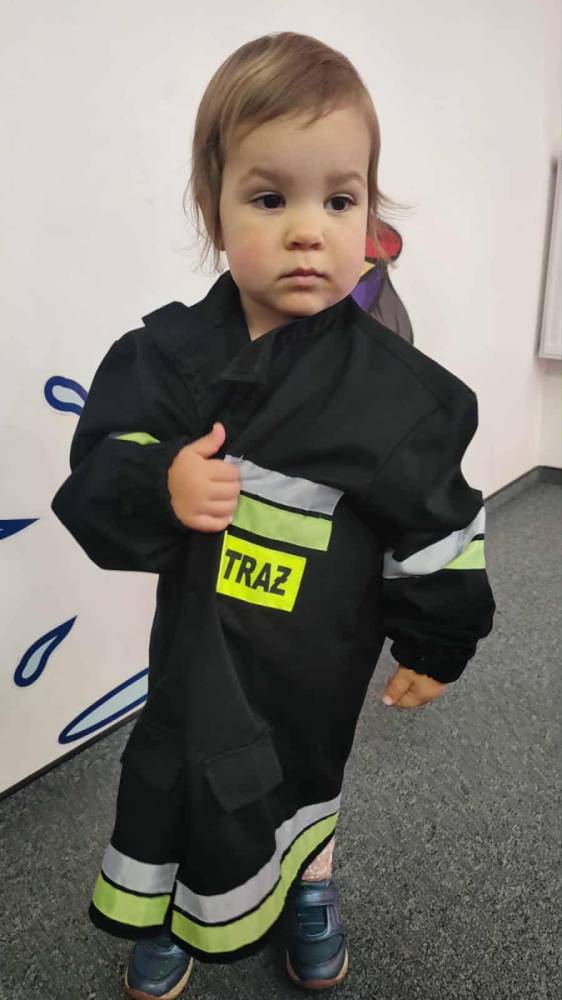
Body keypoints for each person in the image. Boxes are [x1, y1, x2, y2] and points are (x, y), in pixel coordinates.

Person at [51, 30, 496, 999]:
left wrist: (438, 641)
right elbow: (97, 472)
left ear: (370, 215)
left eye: (339, 200)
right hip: (198, 648)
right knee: (174, 769)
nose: (307, 230)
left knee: (303, 777)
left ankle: (310, 884)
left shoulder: (391, 396)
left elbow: (438, 527)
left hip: (315, 655)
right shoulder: (166, 362)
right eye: (269, 198)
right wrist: (163, 479)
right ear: (212, 210)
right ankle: (169, 909)